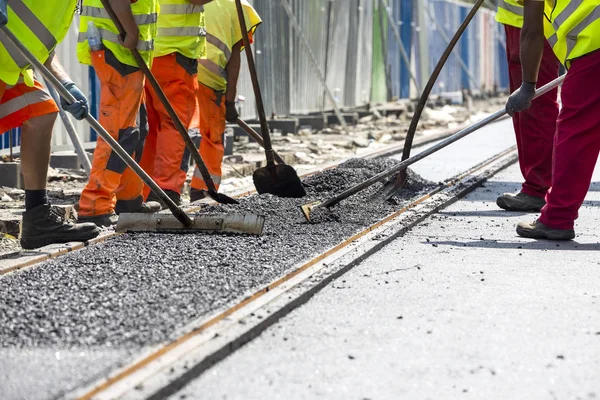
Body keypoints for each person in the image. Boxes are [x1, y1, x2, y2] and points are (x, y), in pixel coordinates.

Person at [0, 0, 100, 249]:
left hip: (8, 64)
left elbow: (38, 44)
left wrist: (65, 83)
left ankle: (38, 217)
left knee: (42, 113)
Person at [507, 0, 600, 240]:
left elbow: (532, 32)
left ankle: (557, 218)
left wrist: (528, 86)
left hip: (594, 49)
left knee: (575, 134)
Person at [76, 0, 161, 227]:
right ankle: (95, 203)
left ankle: (129, 199)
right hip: (119, 51)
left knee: (135, 131)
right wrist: (132, 32)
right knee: (119, 132)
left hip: (126, 55)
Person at [139, 0, 210, 207]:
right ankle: (165, 189)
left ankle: (144, 192)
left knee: (150, 128)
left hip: (147, 51)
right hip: (174, 52)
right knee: (174, 125)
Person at [189, 0, 261, 201]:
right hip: (210, 80)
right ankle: (202, 188)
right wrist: (230, 101)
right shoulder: (239, 8)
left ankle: (164, 190)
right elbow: (234, 59)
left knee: (169, 132)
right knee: (212, 137)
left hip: (176, 67)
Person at [495, 0, 560, 212]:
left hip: (538, 20)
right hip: (519, 19)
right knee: (523, 107)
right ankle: (536, 185)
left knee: (535, 104)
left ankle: (539, 188)